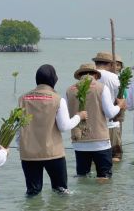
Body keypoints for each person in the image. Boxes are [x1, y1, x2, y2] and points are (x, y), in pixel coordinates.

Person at [17, 64, 87, 196]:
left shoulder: (22, 99)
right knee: (60, 191)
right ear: (53, 80)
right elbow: (64, 126)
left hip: (29, 154)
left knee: (33, 193)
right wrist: (79, 116)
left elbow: (18, 128)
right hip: (53, 153)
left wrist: (20, 146)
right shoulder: (57, 100)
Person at [66, 63, 126, 179]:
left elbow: (68, 115)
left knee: (82, 177)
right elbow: (110, 113)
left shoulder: (69, 90)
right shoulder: (102, 87)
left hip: (79, 143)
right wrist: (120, 106)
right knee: (104, 178)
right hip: (100, 142)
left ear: (79, 76)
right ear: (96, 75)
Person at [92, 52, 123, 162]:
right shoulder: (114, 77)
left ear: (95, 63)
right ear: (110, 64)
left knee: (93, 159)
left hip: (92, 124)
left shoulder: (88, 77)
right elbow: (119, 97)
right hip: (111, 122)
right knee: (115, 156)